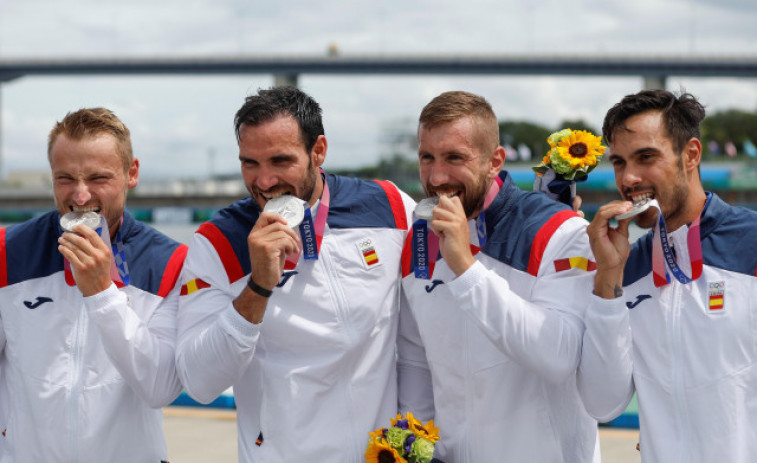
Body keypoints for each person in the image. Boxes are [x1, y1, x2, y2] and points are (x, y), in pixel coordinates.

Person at [175, 86, 416, 462]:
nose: (265, 181)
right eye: (250, 163)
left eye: (280, 161)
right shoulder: (217, 242)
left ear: (318, 150)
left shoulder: (390, 206)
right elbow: (200, 382)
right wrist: (257, 287)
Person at [397, 91, 601, 462]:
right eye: (427, 158)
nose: (437, 176)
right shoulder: (418, 240)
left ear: (495, 161)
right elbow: (414, 359)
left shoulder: (559, 230)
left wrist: (465, 268)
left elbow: (559, 358)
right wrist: (416, 448)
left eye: (454, 158)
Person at [578, 89, 757, 462]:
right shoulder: (626, 267)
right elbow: (603, 404)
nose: (629, 178)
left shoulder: (751, 242)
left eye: (646, 157)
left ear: (690, 155)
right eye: (618, 162)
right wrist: (607, 280)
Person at [0, 108, 186, 462]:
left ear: (131, 173)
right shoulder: (8, 251)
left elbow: (159, 387)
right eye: (66, 178)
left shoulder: (172, 262)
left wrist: (103, 293)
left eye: (98, 178)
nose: (81, 196)